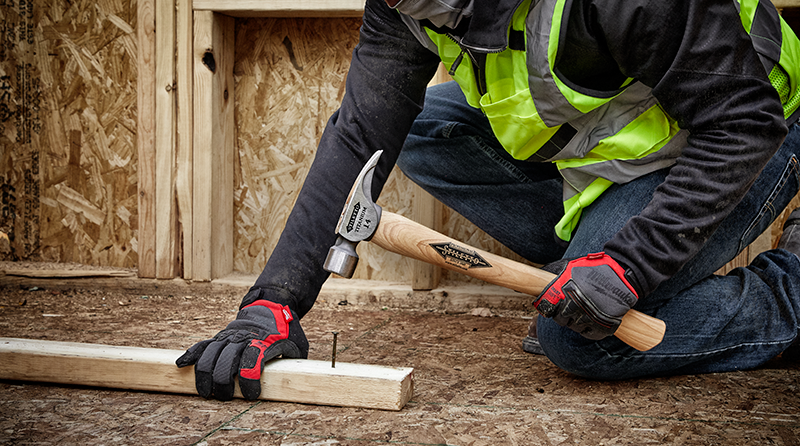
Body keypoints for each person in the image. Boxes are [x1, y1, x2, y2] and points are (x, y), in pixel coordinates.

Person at [176, 0, 800, 401]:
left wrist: (630, 265)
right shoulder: (406, 5)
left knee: (581, 343)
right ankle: (583, 271)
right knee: (425, 130)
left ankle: (787, 299)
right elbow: (361, 136)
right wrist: (273, 304)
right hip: (612, 154)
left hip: (745, 135)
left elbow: (744, 122)